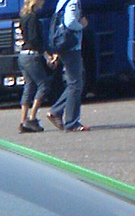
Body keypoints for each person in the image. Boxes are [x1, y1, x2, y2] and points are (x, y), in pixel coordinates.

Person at [44, 0, 90, 131]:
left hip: (63, 46)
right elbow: (69, 22)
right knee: (76, 84)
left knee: (74, 83)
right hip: (71, 47)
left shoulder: (62, 2)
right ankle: (71, 122)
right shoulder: (73, 2)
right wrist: (81, 25)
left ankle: (57, 111)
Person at [15, 0, 55, 133]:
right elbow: (34, 39)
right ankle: (32, 118)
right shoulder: (33, 17)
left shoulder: (23, 17)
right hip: (32, 55)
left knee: (29, 86)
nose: (42, 4)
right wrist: (46, 55)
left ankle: (23, 120)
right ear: (35, 3)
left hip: (23, 55)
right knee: (43, 85)